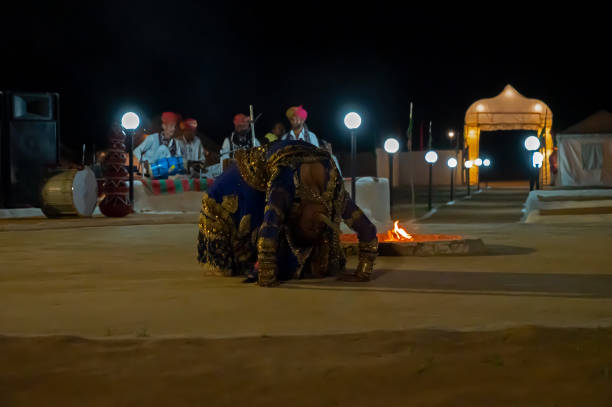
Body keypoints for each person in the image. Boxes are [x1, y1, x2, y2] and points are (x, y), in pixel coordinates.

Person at [197, 139, 378, 287]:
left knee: (321, 262)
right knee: (224, 270)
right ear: (296, 213)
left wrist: (363, 272)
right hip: (237, 189)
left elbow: (368, 230)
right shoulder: (285, 182)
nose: (317, 225)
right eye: (312, 226)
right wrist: (266, 273)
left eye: (316, 228)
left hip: (280, 172)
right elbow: (269, 231)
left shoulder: (334, 192)